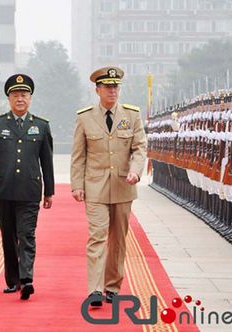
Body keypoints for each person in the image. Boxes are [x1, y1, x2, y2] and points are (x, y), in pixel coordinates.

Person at [70, 66, 147, 306]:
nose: (112, 91)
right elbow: (78, 155)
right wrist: (77, 185)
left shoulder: (132, 115)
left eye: (116, 86)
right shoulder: (85, 117)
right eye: (108, 87)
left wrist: (135, 171)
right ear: (98, 90)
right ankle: (94, 289)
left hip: (124, 185)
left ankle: (112, 286)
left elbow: (139, 148)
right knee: (97, 236)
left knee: (118, 240)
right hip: (95, 187)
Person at [0, 74, 54, 300]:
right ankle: (13, 281)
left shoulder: (40, 126)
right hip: (3, 190)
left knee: (27, 235)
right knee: (9, 237)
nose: (20, 99)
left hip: (29, 191)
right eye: (15, 95)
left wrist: (48, 191)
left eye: (24, 95)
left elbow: (46, 161)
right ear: (9, 98)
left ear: (30, 98)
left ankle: (27, 279)